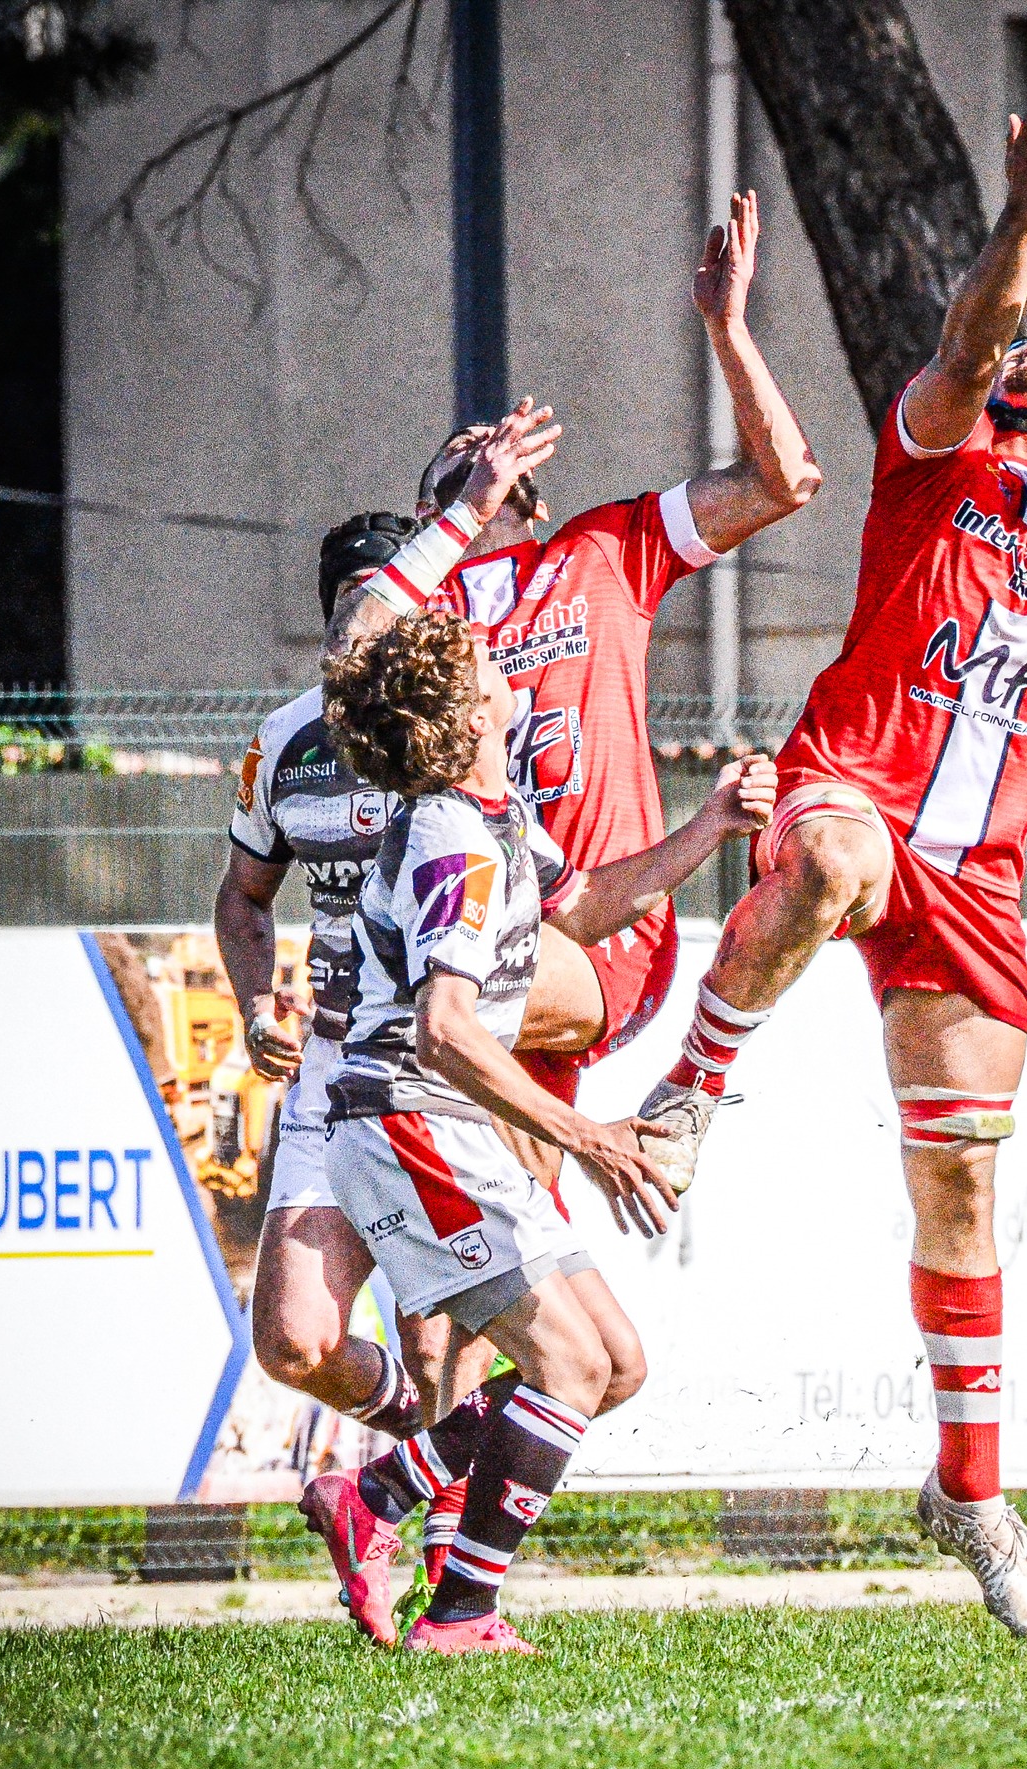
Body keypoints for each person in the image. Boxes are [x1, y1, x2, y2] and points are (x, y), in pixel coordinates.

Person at [633, 92, 1027, 1643]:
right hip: (858, 790)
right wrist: (1026, 215)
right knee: (822, 860)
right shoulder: (932, 468)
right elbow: (960, 349)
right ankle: (690, 1089)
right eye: (1022, 356)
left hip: (979, 882)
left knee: (959, 1193)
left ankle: (969, 1493)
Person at [334, 188, 821, 1574]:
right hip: (518, 946)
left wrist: (729, 330)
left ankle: (409, 1511)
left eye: (502, 468)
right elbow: (355, 639)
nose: (496, 478)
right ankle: (424, 1526)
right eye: (467, 473)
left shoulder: (603, 551)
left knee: (484, 1230)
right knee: (506, 1292)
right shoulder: (430, 605)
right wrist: (450, 519)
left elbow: (787, 478)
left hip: (580, 927)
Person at [304, 608, 777, 1650]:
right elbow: (441, 1027)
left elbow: (581, 906)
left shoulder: (496, 809)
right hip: (407, 1123)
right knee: (564, 1365)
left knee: (611, 1361)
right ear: (471, 710)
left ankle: (377, 1494)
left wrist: (708, 827)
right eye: (485, 663)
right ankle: (462, 1610)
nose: (505, 663)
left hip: (448, 1121)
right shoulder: (452, 838)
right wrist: (587, 1134)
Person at [215, 404, 562, 1439]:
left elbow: (549, 886)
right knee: (292, 1341)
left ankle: (447, 1565)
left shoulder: (457, 736)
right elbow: (243, 894)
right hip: (335, 1057)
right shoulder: (282, 743)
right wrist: (252, 1002)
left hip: (439, 1058)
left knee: (445, 1327)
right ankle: (408, 1437)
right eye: (360, 610)